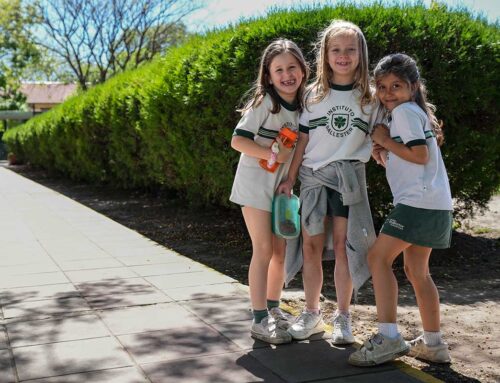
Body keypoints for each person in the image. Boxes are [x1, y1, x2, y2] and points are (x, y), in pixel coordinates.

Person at [349, 53, 453, 366]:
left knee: (378, 258)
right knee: (417, 272)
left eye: (396, 85)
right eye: (381, 86)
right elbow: (414, 158)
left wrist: (382, 139)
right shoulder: (412, 113)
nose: (388, 92)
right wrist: (387, 154)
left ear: (414, 86)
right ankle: (433, 344)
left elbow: (419, 156)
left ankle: (389, 337)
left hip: (417, 204)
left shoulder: (406, 112)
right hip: (434, 204)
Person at [278, 20, 376, 344]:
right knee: (311, 247)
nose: (343, 55)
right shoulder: (313, 95)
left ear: (360, 53)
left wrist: (384, 153)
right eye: (336, 49)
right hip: (312, 179)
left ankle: (343, 317)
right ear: (325, 54)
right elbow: (302, 140)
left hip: (348, 181)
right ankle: (311, 312)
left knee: (346, 249)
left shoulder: (369, 97)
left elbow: (379, 137)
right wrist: (289, 178)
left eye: (350, 49)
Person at [229, 38, 309, 344]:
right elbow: (238, 140)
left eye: (292, 67)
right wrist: (269, 155)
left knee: (280, 252)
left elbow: (298, 151)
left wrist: (288, 179)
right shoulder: (265, 103)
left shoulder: (305, 109)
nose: (286, 74)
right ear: (269, 75)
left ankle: (274, 309)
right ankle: (259, 319)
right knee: (262, 250)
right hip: (253, 185)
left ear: (303, 70)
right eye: (279, 70)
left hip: (281, 190)